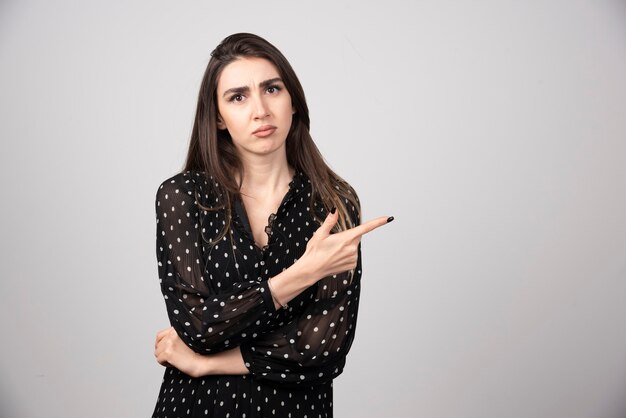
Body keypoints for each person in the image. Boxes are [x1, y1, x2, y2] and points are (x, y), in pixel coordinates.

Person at [151, 32, 393, 418]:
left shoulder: (333, 202)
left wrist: (207, 362)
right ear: (217, 117)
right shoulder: (184, 196)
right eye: (238, 97)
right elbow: (198, 325)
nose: (260, 110)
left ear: (292, 100)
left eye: (272, 89)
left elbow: (322, 348)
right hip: (198, 407)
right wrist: (303, 274)